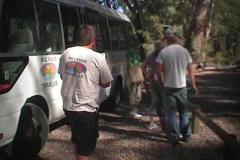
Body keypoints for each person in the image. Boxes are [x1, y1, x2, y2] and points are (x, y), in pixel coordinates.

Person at [58, 25, 113, 160]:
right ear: (93, 39)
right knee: (85, 149)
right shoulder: (98, 57)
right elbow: (106, 83)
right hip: (87, 109)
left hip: (69, 107)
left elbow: (62, 75)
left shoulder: (66, 53)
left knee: (78, 141)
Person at [155, 29, 198, 145]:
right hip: (182, 87)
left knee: (171, 113)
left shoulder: (164, 52)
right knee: (183, 112)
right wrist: (193, 84)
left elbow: (158, 70)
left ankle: (174, 137)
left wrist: (161, 82)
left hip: (168, 87)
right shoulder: (185, 51)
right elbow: (191, 69)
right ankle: (187, 135)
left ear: (168, 42)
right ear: (178, 41)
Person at [142, 42, 166, 130]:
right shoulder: (163, 56)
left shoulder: (151, 55)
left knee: (154, 102)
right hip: (162, 81)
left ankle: (151, 123)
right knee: (165, 102)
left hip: (152, 80)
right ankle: (165, 122)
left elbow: (143, 66)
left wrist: (145, 77)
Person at [126, 45, 144, 118]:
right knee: (135, 93)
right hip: (134, 75)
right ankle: (134, 111)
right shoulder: (133, 53)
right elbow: (132, 65)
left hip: (133, 75)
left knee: (134, 92)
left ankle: (134, 110)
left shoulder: (131, 52)